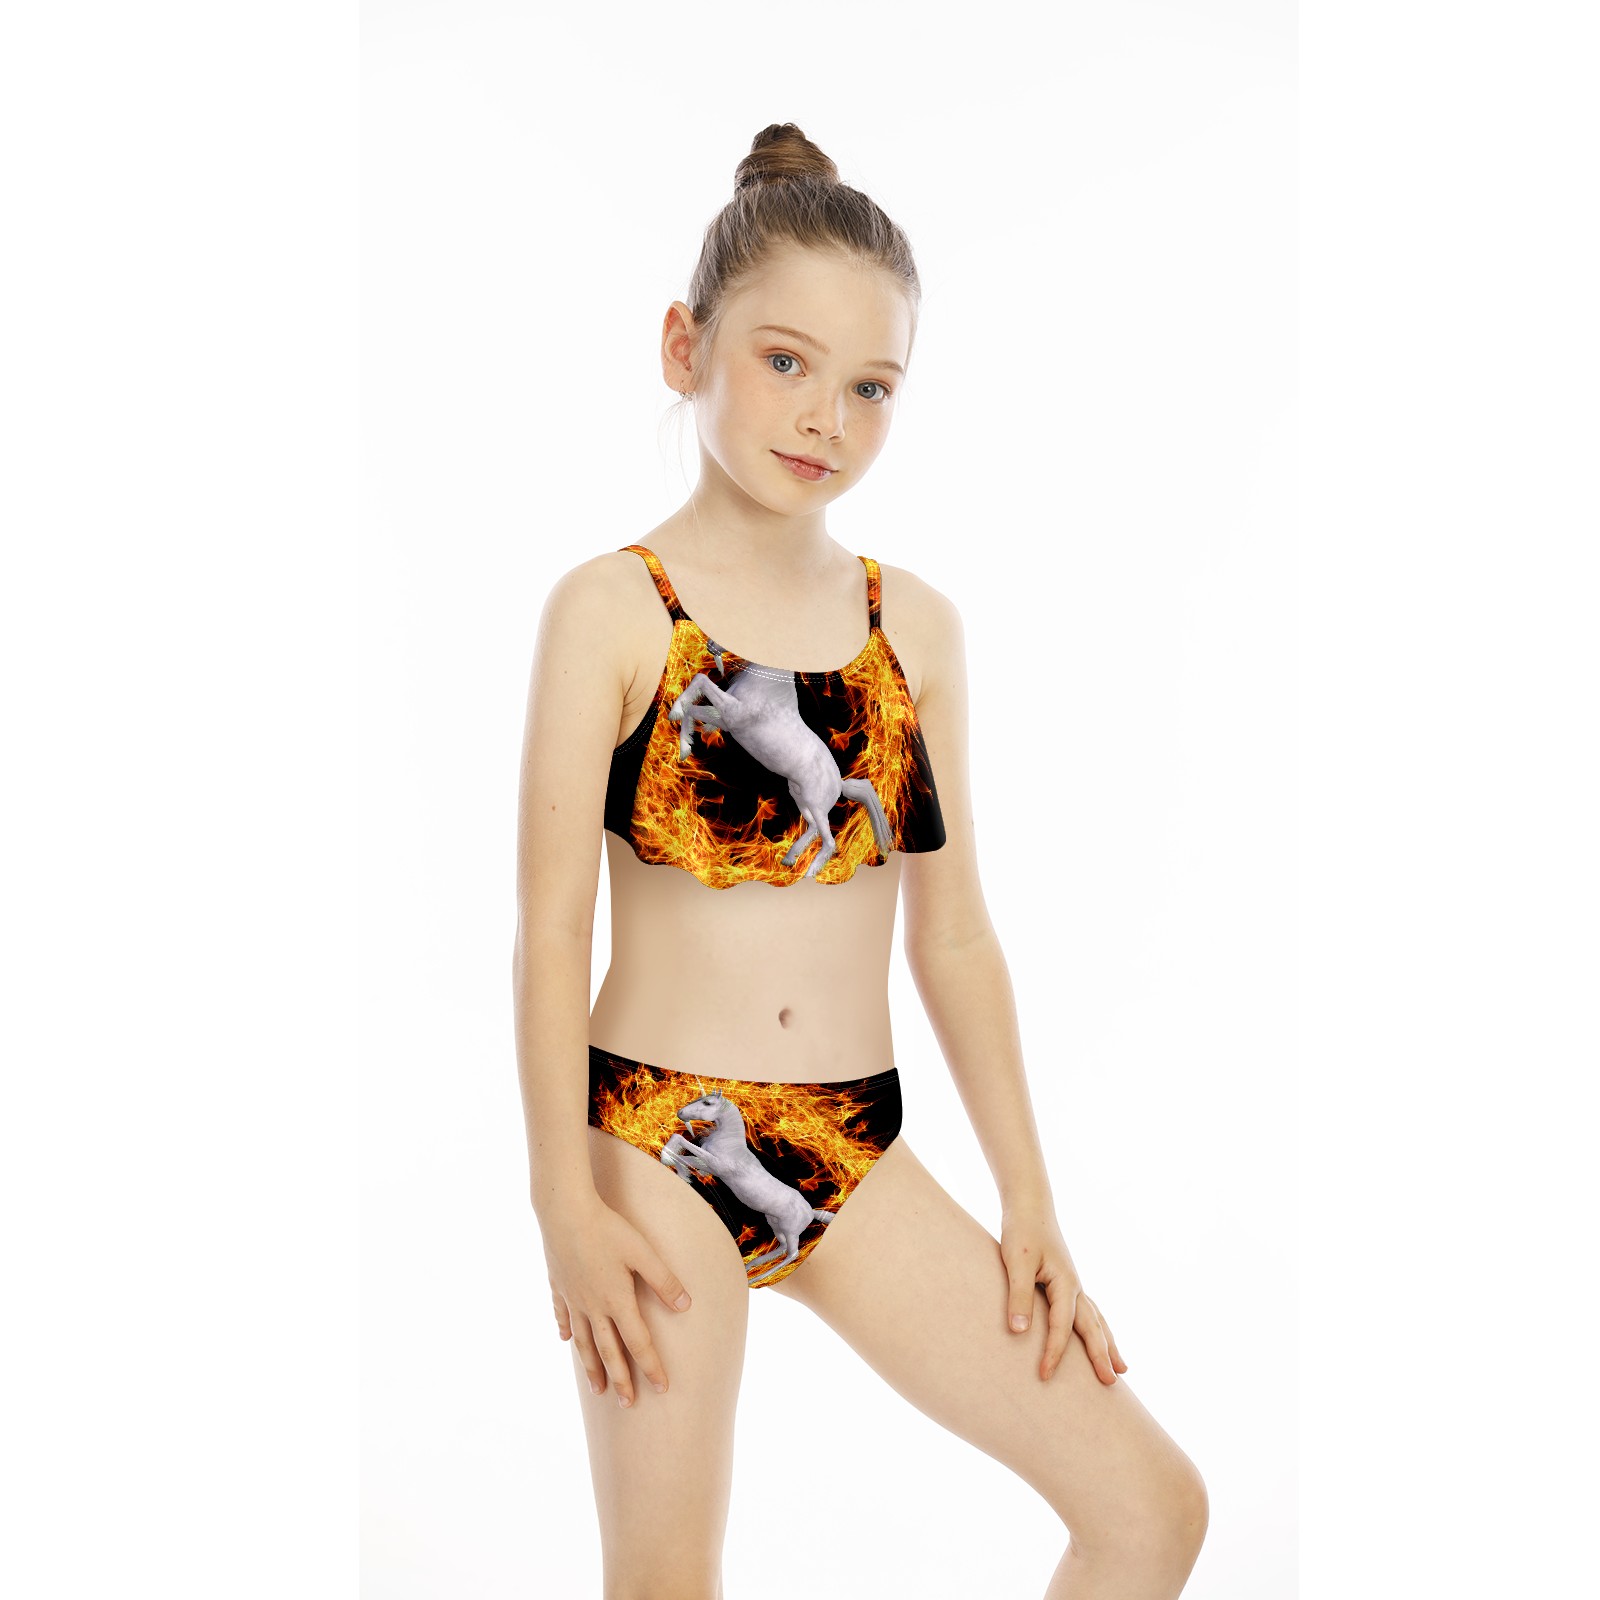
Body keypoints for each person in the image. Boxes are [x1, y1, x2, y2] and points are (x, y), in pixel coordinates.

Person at [513, 122, 1208, 1600]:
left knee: (1151, 1511)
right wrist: (562, 1204)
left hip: (853, 1143)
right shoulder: (613, 612)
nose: (826, 415)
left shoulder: (917, 631)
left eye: (872, 385)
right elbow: (548, 931)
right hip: (654, 1135)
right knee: (666, 1579)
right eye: (786, 362)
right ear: (685, 348)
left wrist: (1031, 1203)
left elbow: (952, 936)